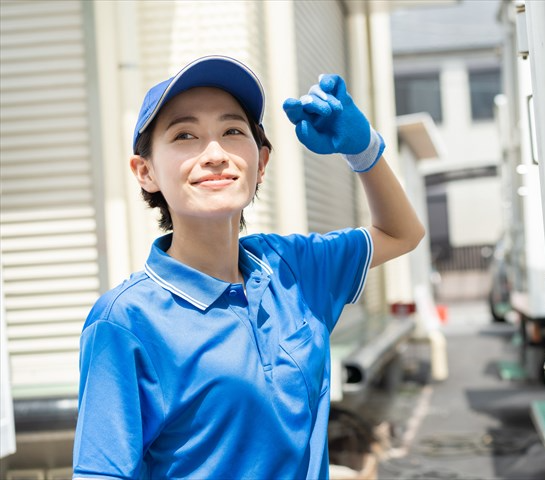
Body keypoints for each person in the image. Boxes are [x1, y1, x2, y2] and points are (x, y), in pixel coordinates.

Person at [72, 55, 424, 479]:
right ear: (144, 172)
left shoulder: (293, 266)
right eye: (185, 135)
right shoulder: (126, 320)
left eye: (232, 130)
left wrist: (363, 149)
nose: (215, 153)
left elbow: (402, 233)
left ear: (261, 162)